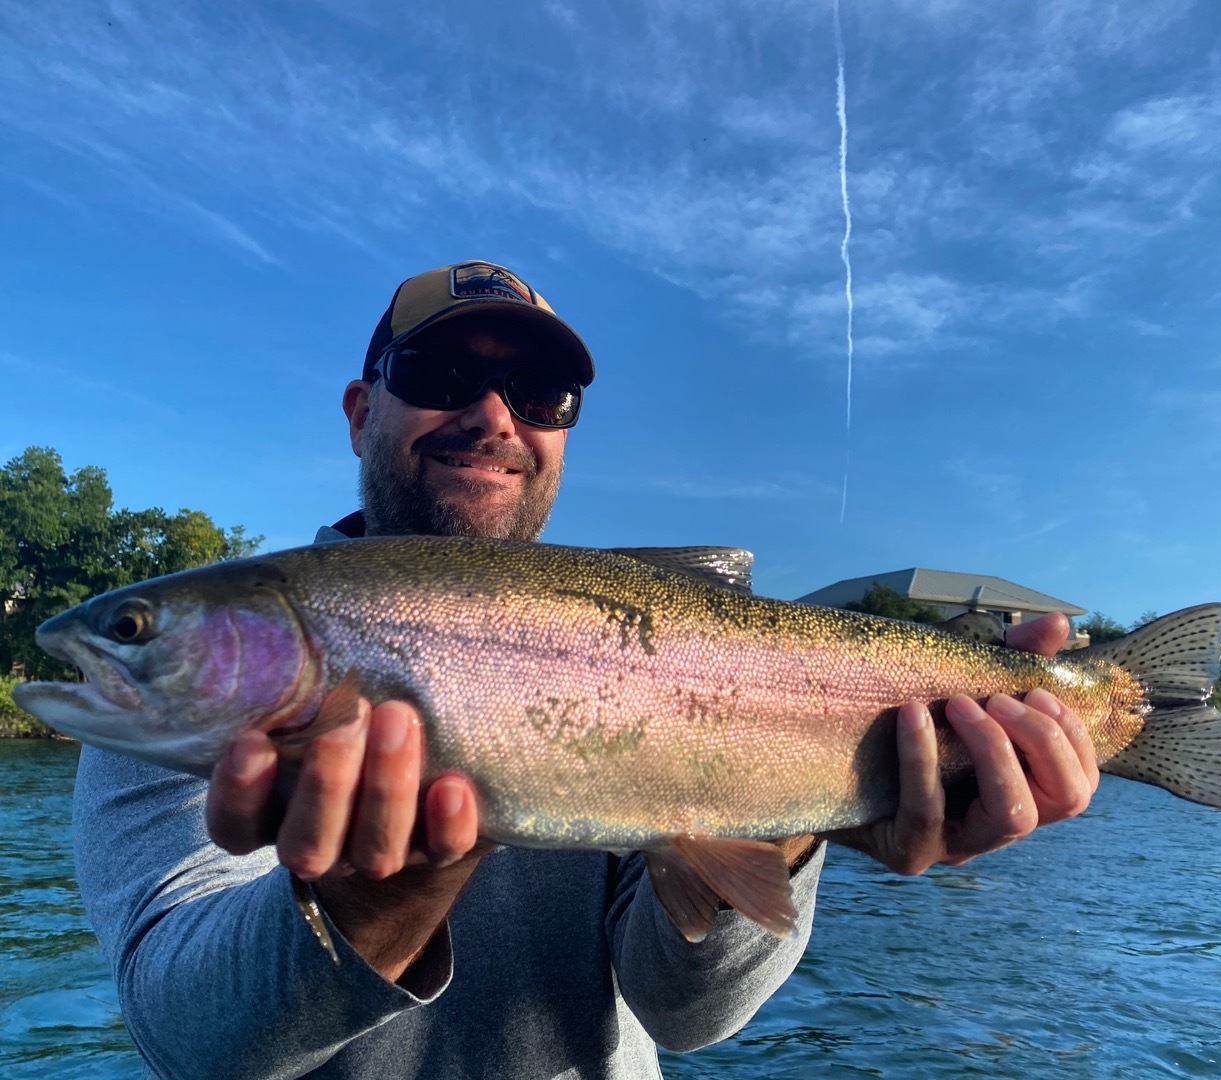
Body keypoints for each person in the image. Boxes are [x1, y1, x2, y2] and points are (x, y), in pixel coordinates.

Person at [73, 260, 1099, 1079]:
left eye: (539, 393)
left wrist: (792, 815)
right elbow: (194, 1040)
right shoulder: (163, 713)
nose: (491, 416)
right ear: (357, 409)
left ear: (563, 432)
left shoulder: (653, 643)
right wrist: (365, 905)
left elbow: (687, 1017)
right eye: (436, 380)